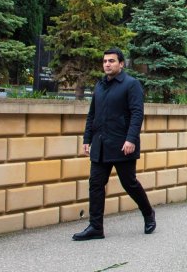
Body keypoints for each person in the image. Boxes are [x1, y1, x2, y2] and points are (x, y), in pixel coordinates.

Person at [73, 48, 155, 241]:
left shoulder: (131, 84)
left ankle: (148, 213)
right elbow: (92, 114)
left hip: (122, 144)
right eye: (105, 61)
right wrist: (87, 139)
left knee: (130, 183)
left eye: (111, 61)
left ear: (121, 64)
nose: (107, 64)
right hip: (100, 144)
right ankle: (95, 227)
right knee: (95, 184)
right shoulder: (100, 85)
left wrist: (131, 139)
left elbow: (137, 114)